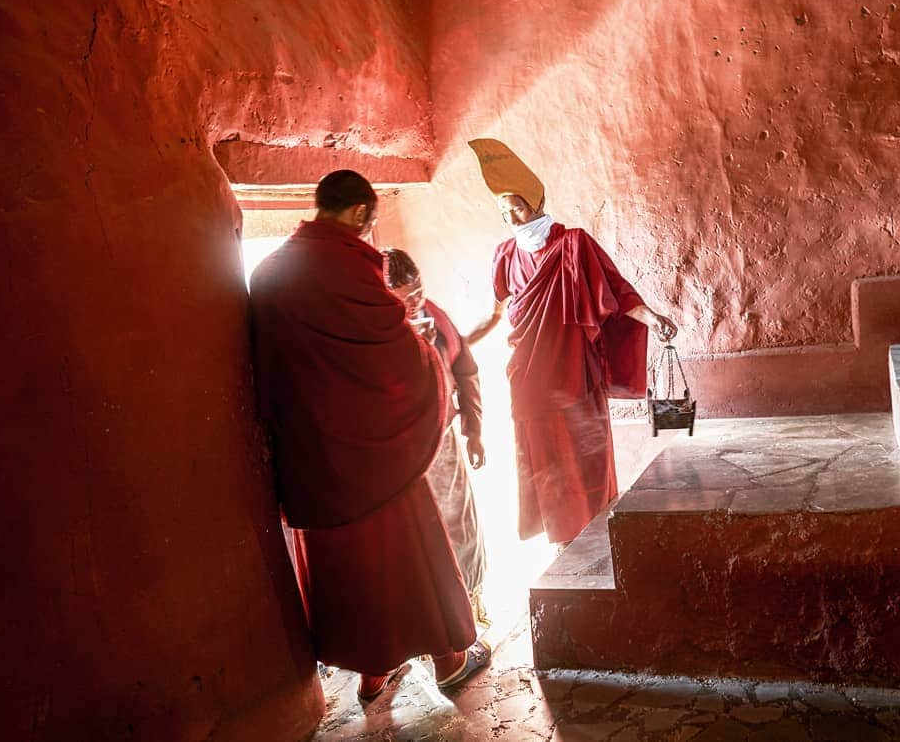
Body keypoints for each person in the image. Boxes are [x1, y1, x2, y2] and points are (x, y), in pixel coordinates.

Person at [249, 170, 490, 701]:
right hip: (371, 452)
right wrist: (427, 354)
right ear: (361, 213)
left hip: (312, 457)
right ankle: (449, 661)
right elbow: (396, 357)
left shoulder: (267, 272)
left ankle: (372, 672)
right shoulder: (346, 266)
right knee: (409, 555)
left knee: (345, 569)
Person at [468, 139, 679, 547]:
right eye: (503, 210)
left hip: (575, 375)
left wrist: (653, 318)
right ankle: (563, 541)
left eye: (517, 205)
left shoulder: (573, 244)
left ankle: (598, 533)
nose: (511, 216)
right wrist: (458, 344)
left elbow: (616, 294)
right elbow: (495, 314)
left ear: (536, 200)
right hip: (528, 378)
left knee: (587, 457)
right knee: (544, 463)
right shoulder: (505, 254)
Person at [382, 248, 490, 628]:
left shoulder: (437, 317)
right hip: (403, 456)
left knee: (460, 524)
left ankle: (471, 609)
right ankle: (433, 626)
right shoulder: (376, 335)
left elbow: (466, 371)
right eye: (404, 298)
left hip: (444, 444)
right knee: (419, 538)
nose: (415, 303)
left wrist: (473, 430)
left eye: (418, 292)